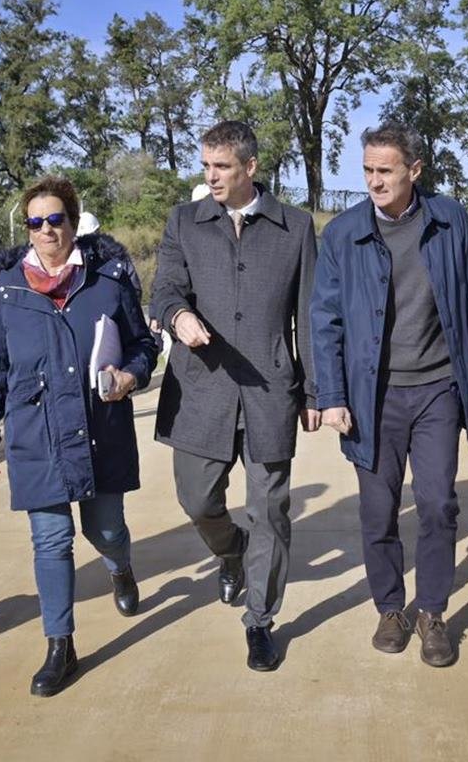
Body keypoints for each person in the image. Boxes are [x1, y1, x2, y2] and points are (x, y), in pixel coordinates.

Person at [310, 122, 468, 668]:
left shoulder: (449, 220)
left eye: (384, 170)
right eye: (367, 170)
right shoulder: (343, 234)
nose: (374, 180)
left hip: (438, 387)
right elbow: (325, 319)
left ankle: (433, 612)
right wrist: (333, 394)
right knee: (378, 510)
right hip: (373, 397)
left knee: (438, 503)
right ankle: (391, 608)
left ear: (414, 171)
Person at [0, 175, 157, 697]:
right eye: (35, 221)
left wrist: (131, 375)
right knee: (50, 541)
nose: (46, 230)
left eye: (55, 219)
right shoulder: (8, 290)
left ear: (73, 223)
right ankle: (60, 645)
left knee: (107, 531)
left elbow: (143, 345)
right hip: (37, 433)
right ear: (26, 229)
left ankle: (120, 567)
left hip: (100, 428)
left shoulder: (108, 280)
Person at [150, 120, 319, 672]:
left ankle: (261, 622)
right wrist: (179, 317)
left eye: (221, 167)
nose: (211, 176)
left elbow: (310, 317)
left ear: (251, 167)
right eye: (205, 166)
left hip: (271, 390)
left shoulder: (294, 227)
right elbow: (165, 289)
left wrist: (315, 389)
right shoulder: (185, 221)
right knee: (196, 500)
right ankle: (232, 552)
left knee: (269, 509)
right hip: (201, 388)